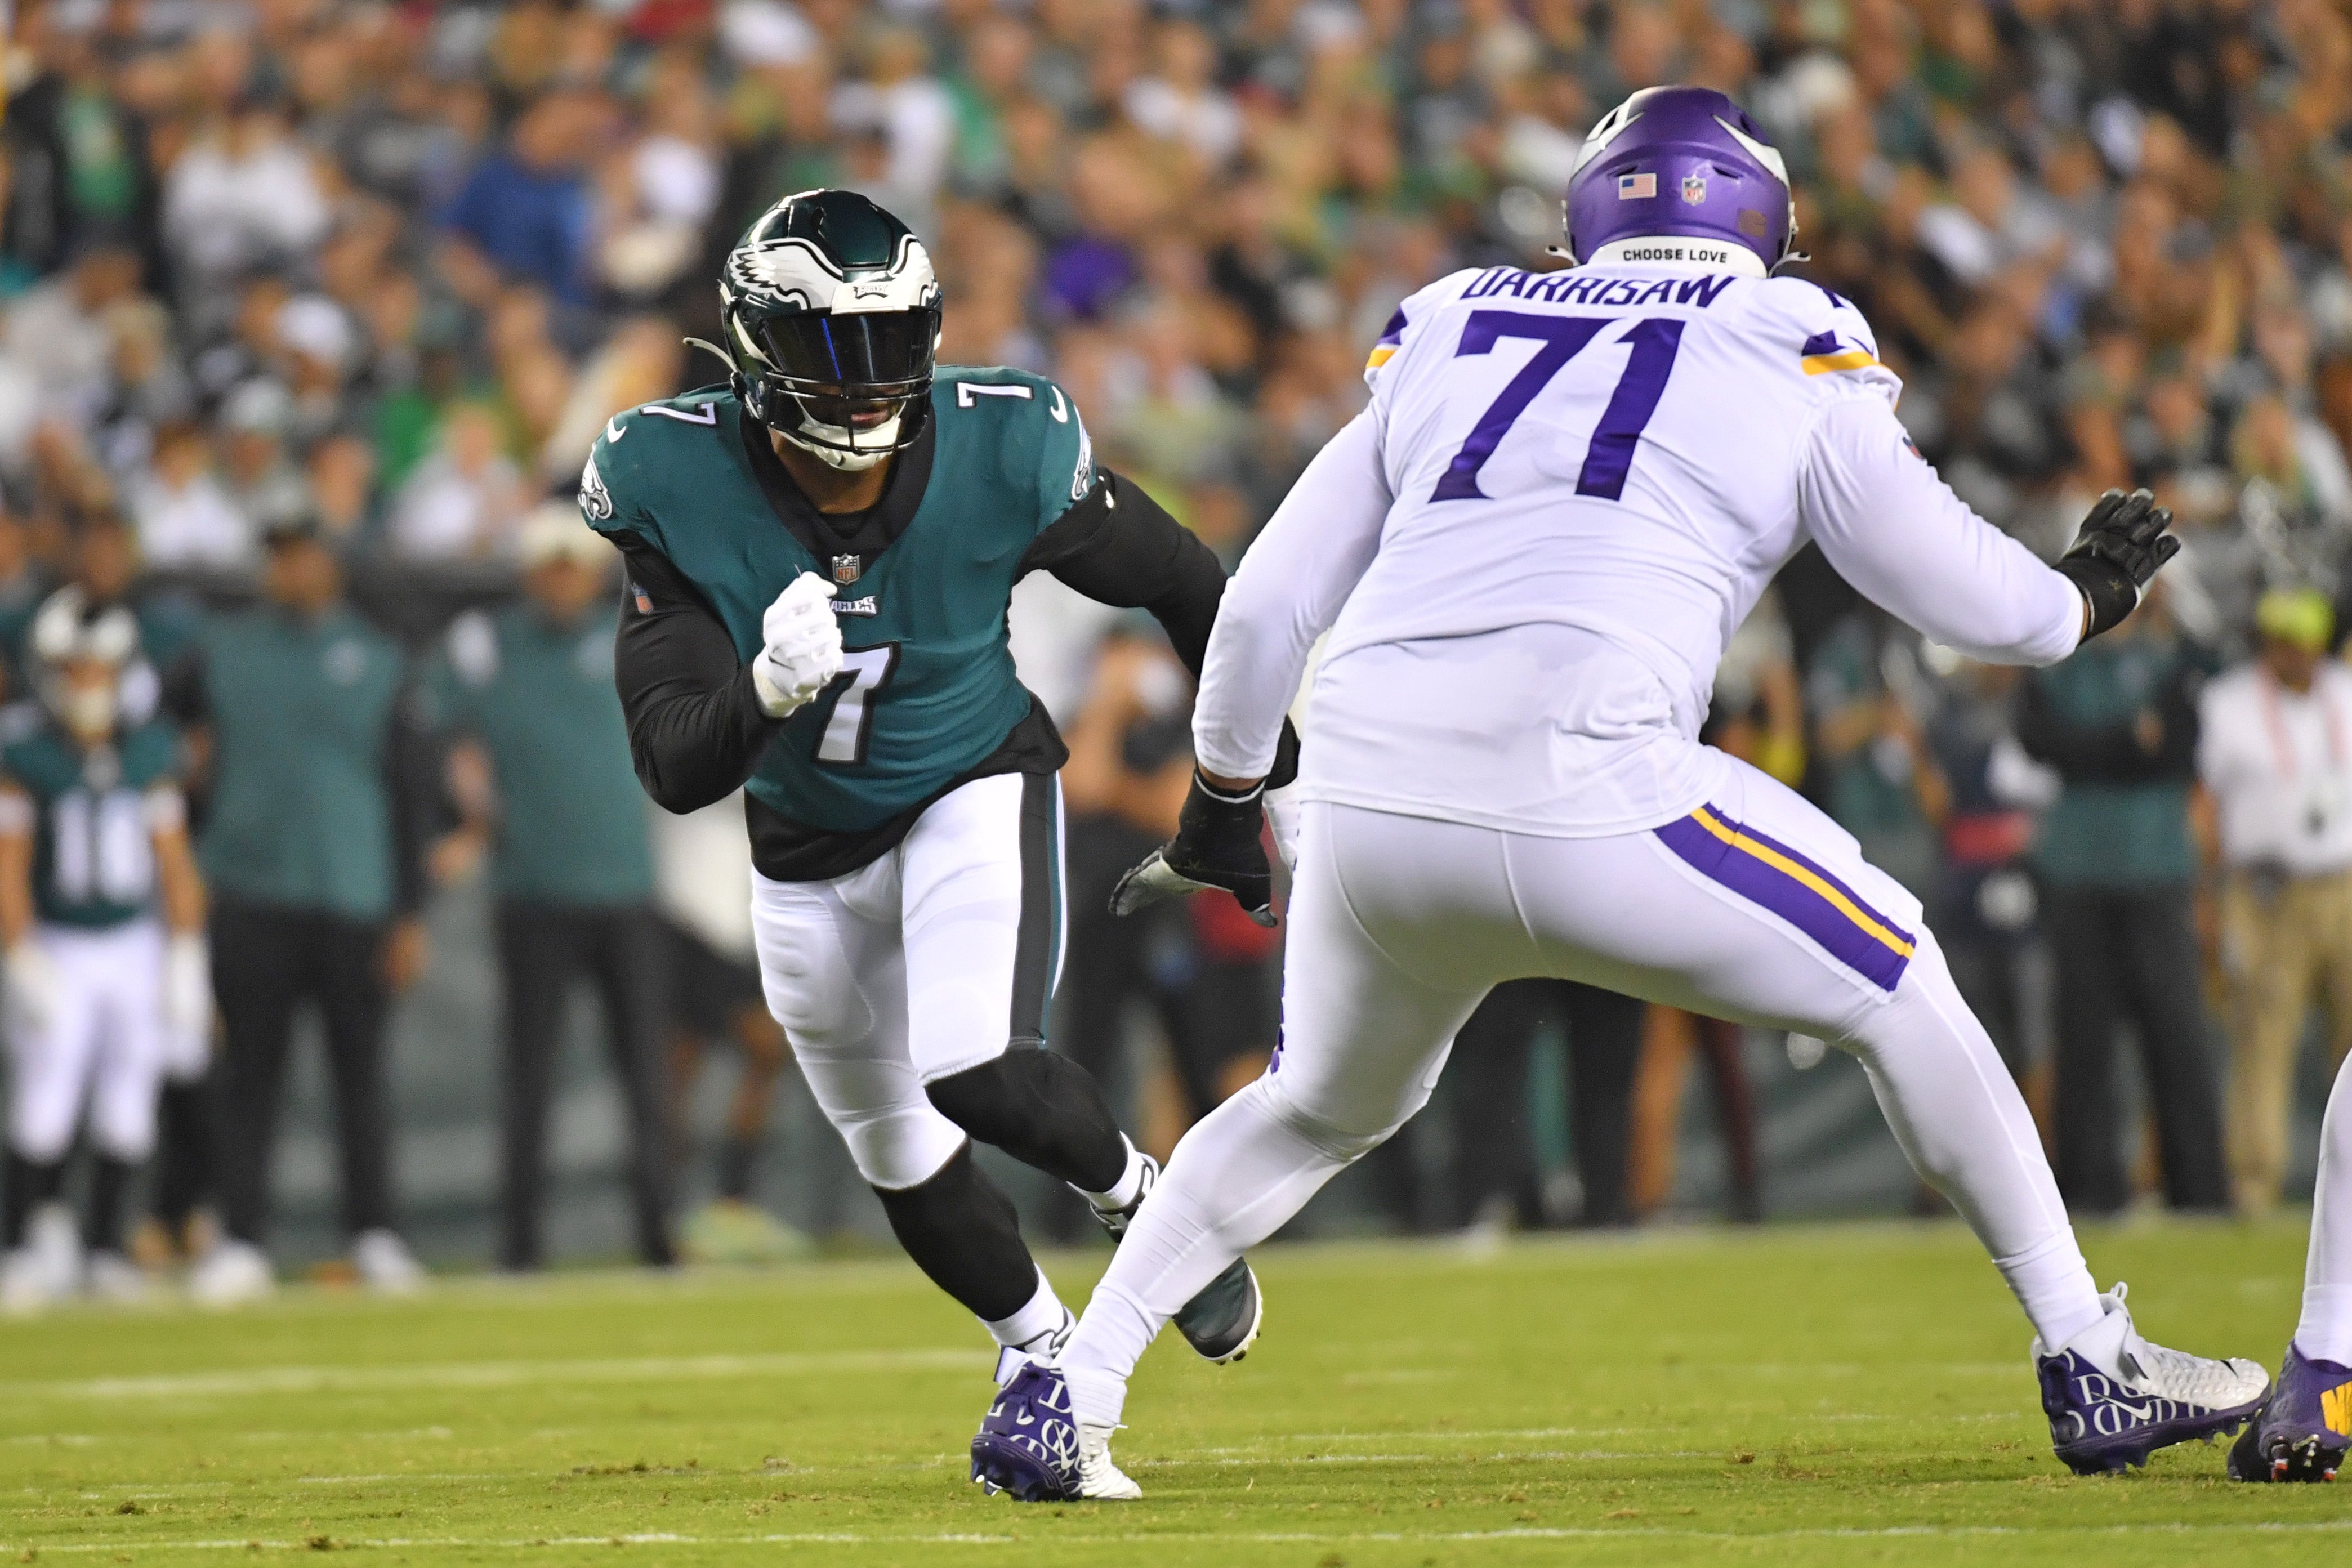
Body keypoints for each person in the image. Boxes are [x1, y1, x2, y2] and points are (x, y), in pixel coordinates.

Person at [973, 87, 2269, 1502]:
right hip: (1595, 785)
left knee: (1311, 1106)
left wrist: (1222, 796)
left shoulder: (1456, 318)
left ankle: (1067, 1391)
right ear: (1755, 212)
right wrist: (2081, 592)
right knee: (1895, 971)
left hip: (1369, 804)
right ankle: (2084, 1348)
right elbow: (1970, 598)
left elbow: (1270, 595)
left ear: (1593, 205)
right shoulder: (1785, 333)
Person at [583, 190, 1275, 1390]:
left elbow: (1181, 577)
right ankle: (1041, 1355)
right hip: (801, 851)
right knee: (899, 1155)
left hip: (969, 782)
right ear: (758, 346)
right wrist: (763, 694)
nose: (864, 384)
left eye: (890, 344)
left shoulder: (1003, 445)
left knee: (970, 1062)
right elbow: (675, 763)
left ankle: (1143, 1203)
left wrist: (1256, 769)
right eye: (831, 350)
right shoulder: (671, 473)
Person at [171, 515, 432, 1303]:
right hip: (250, 891)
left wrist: (410, 912)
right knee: (250, 1077)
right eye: (280, 557)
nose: (293, 570)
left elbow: (410, 795)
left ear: (331, 562)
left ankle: (375, 1234)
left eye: (305, 554)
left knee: (361, 1078)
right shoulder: (222, 651)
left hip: (353, 895)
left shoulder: (379, 658)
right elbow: (151, 733)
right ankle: (241, 1236)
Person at [423, 505, 674, 1271]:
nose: (564, 580)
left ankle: (659, 1239)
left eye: (575, 564)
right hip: (533, 888)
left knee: (645, 1075)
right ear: (531, 573)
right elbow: (426, 724)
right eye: (551, 565)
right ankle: (520, 1246)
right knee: (528, 1074)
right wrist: (463, 807)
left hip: (625, 886)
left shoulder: (630, 635)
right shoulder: (487, 647)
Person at [0, 588, 206, 1309]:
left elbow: (174, 860)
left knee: (128, 1102)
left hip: (133, 941)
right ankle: (22, 1246)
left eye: (102, 670)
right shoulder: (24, 750)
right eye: (78, 670)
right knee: (45, 1099)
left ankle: (102, 1248)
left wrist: (185, 955)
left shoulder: (148, 747)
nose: (91, 685)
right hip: (61, 940)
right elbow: (9, 864)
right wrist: (20, 953)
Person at [2016, 585, 2228, 1214]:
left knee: (2178, 1036)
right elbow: (2042, 742)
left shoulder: (2174, 661)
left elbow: (2174, 749)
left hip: (2155, 867)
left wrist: (2096, 749)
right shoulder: (2059, 667)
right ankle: (2087, 1190)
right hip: (2080, 869)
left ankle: (2198, 1191)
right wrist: (2127, 739)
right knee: (2082, 1040)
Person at [2198, 587, 2352, 1216]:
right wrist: (2208, 899)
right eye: (2287, 643)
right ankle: (2254, 1187)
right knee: (2262, 1038)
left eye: (2307, 643)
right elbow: (2202, 805)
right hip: (2267, 892)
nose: (2299, 655)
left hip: (2344, 885)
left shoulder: (2343, 688)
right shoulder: (2228, 703)